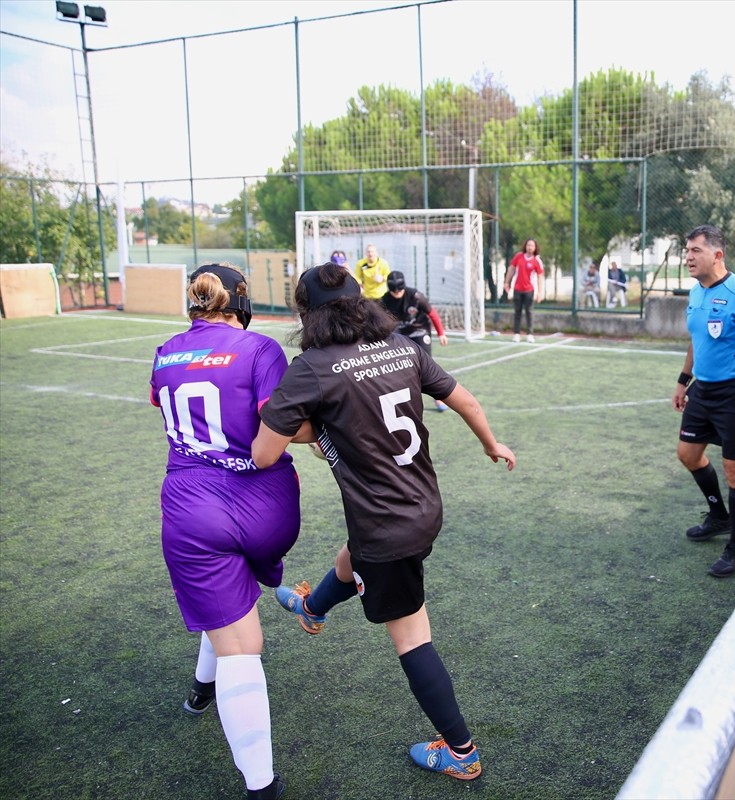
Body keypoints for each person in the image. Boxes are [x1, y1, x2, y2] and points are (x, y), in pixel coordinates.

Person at [251, 262, 516, 784]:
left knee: (412, 635)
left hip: (386, 525)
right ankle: (313, 608)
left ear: (307, 314)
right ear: (360, 303)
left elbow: (263, 454)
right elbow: (464, 399)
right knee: (353, 556)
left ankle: (461, 750)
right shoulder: (404, 348)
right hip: (423, 506)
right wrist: (491, 443)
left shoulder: (312, 367)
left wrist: (288, 423)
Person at [150, 264, 299, 800]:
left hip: (194, 507)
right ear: (243, 301)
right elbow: (284, 425)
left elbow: (168, 404)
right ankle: (199, 688)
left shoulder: (166, 350)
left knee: (239, 644)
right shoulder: (260, 348)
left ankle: (262, 787)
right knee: (230, 610)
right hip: (267, 507)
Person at [673, 225, 735, 578]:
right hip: (703, 390)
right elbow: (696, 340)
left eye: (695, 250)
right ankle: (719, 516)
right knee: (688, 455)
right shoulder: (696, 292)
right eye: (687, 250)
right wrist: (684, 381)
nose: (688, 257)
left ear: (717, 254)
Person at [381, 270, 451, 411]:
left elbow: (432, 313)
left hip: (419, 330)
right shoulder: (384, 300)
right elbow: (378, 321)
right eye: (394, 292)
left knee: (427, 365)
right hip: (399, 333)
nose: (397, 294)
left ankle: (438, 399)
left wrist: (441, 333)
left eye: (399, 291)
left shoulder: (416, 296)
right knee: (396, 366)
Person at [505, 238, 544, 343]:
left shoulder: (537, 261)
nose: (530, 247)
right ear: (525, 246)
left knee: (529, 312)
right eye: (528, 245)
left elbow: (540, 277)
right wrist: (506, 282)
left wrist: (540, 292)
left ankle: (530, 334)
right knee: (517, 312)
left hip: (529, 290)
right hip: (517, 289)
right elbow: (511, 269)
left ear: (535, 247)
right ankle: (516, 334)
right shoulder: (518, 257)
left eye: (532, 245)